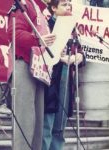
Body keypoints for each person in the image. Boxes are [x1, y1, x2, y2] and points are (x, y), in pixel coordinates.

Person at [7, 0, 56, 150]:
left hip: (38, 69)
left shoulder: (39, 9)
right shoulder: (24, 4)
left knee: (37, 125)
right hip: (24, 65)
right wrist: (38, 40)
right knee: (25, 122)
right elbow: (14, 33)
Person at [42, 0, 85, 150]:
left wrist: (77, 57)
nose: (68, 8)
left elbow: (79, 51)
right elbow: (40, 48)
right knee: (46, 125)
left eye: (69, 5)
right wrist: (57, 56)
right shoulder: (45, 24)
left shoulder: (72, 28)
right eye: (64, 4)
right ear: (54, 8)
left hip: (66, 79)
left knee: (60, 126)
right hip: (50, 79)